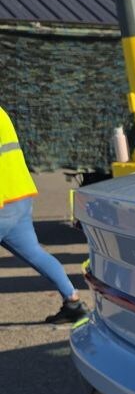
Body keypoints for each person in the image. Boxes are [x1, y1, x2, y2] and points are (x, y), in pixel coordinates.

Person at [0, 105, 87, 324]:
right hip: (20, 196)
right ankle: (73, 302)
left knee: (34, 252)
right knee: (35, 253)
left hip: (3, 201)